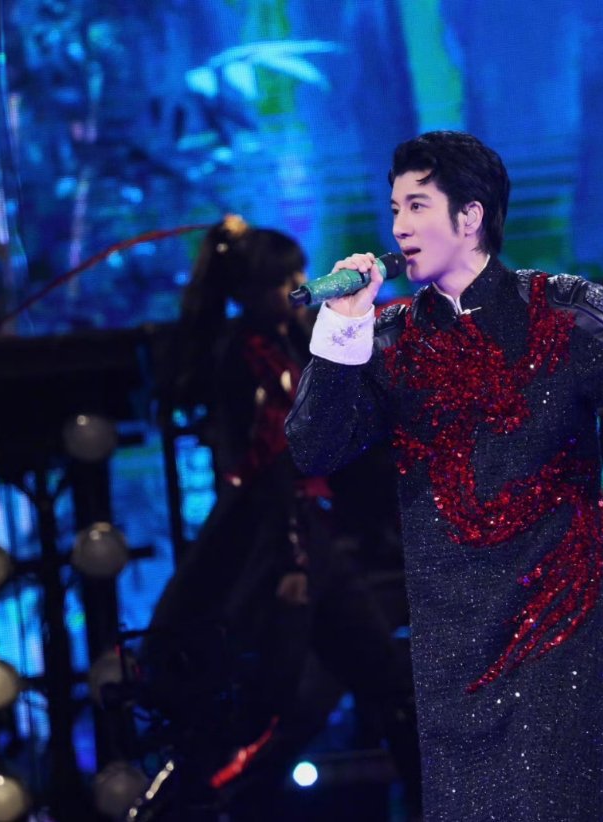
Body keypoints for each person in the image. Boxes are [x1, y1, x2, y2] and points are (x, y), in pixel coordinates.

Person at [286, 131, 603, 822]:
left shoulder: (561, 310)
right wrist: (343, 329)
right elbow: (313, 449)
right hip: (449, 640)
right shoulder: (394, 339)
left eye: (417, 205)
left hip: (556, 627)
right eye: (395, 208)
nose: (399, 226)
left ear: (470, 216)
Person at [141, 215, 421, 819]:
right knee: (275, 704)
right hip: (278, 538)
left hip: (309, 537)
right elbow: (271, 458)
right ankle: (198, 800)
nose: (298, 286)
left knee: (380, 682)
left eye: (298, 273)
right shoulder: (247, 356)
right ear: (249, 291)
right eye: (282, 280)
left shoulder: (288, 342)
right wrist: (292, 555)